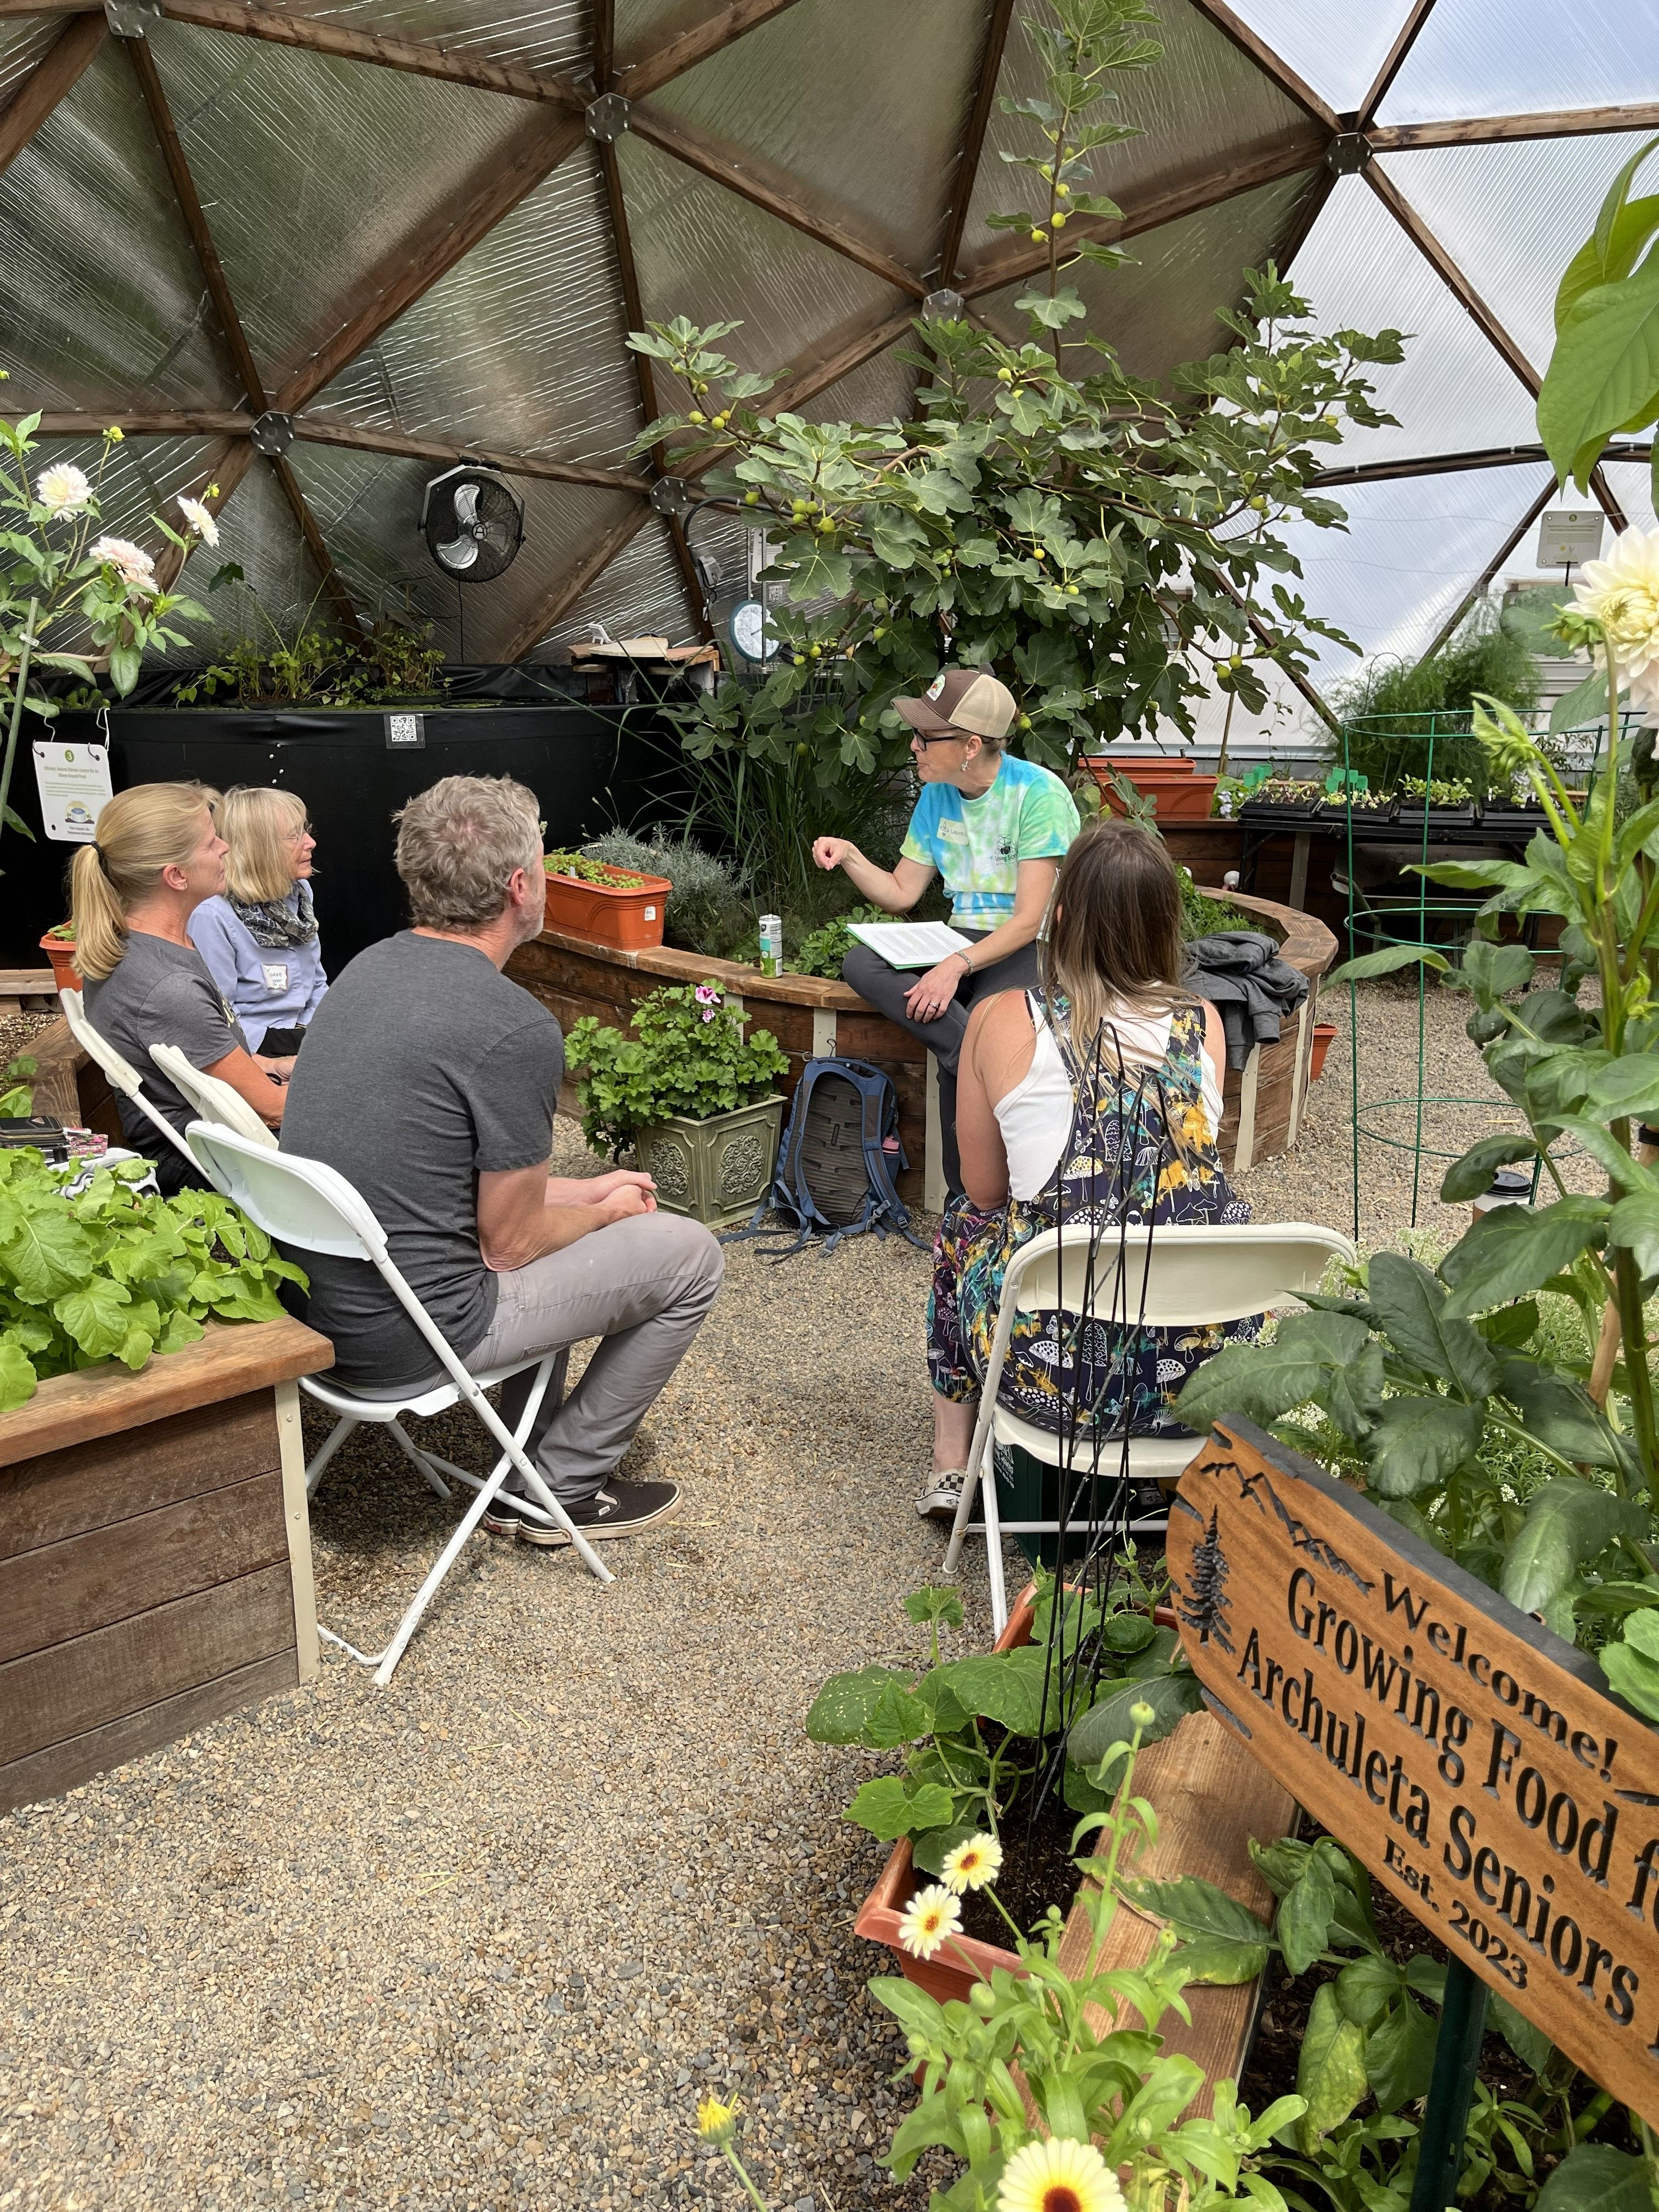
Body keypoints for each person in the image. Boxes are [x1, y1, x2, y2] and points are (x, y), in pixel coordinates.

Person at [280, 774, 723, 1547]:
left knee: (586, 1226)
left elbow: (437, 1170)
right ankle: (558, 1489)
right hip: (409, 1337)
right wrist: (607, 1213)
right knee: (691, 1256)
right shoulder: (512, 1028)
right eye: (546, 859)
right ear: (520, 886)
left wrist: (584, 1190)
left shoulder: (371, 968)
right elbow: (508, 1243)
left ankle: (534, 1455)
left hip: (326, 1317)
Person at [917, 819, 1256, 1522]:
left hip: (1057, 1384)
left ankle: (953, 1461)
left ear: (1061, 918)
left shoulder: (1005, 1017)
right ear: (1169, 924)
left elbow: (984, 1190)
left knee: (963, 1219)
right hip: (1207, 1381)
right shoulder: (1202, 1023)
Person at [815, 667, 1079, 1193]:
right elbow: (901, 893)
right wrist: (850, 856)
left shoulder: (1038, 794)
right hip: (960, 936)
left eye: (927, 738)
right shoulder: (937, 795)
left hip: (1028, 944)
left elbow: (1031, 918)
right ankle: (976, 1058)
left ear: (972, 745)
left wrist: (952, 968)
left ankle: (974, 1198)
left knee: (973, 1028)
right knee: (861, 962)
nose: (914, 747)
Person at [74, 782, 287, 1193]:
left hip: (202, 1136)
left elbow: (203, 1063)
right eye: (210, 843)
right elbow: (272, 1111)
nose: (226, 847)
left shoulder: (139, 945)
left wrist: (276, 1065)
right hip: (210, 1163)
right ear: (176, 876)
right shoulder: (169, 989)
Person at [190, 786, 328, 1082]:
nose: (311, 843)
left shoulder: (300, 894)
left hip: (306, 1029)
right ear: (258, 848)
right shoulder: (213, 915)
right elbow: (218, 1018)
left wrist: (323, 1029)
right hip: (258, 1047)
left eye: (306, 831)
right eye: (294, 836)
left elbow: (317, 982)